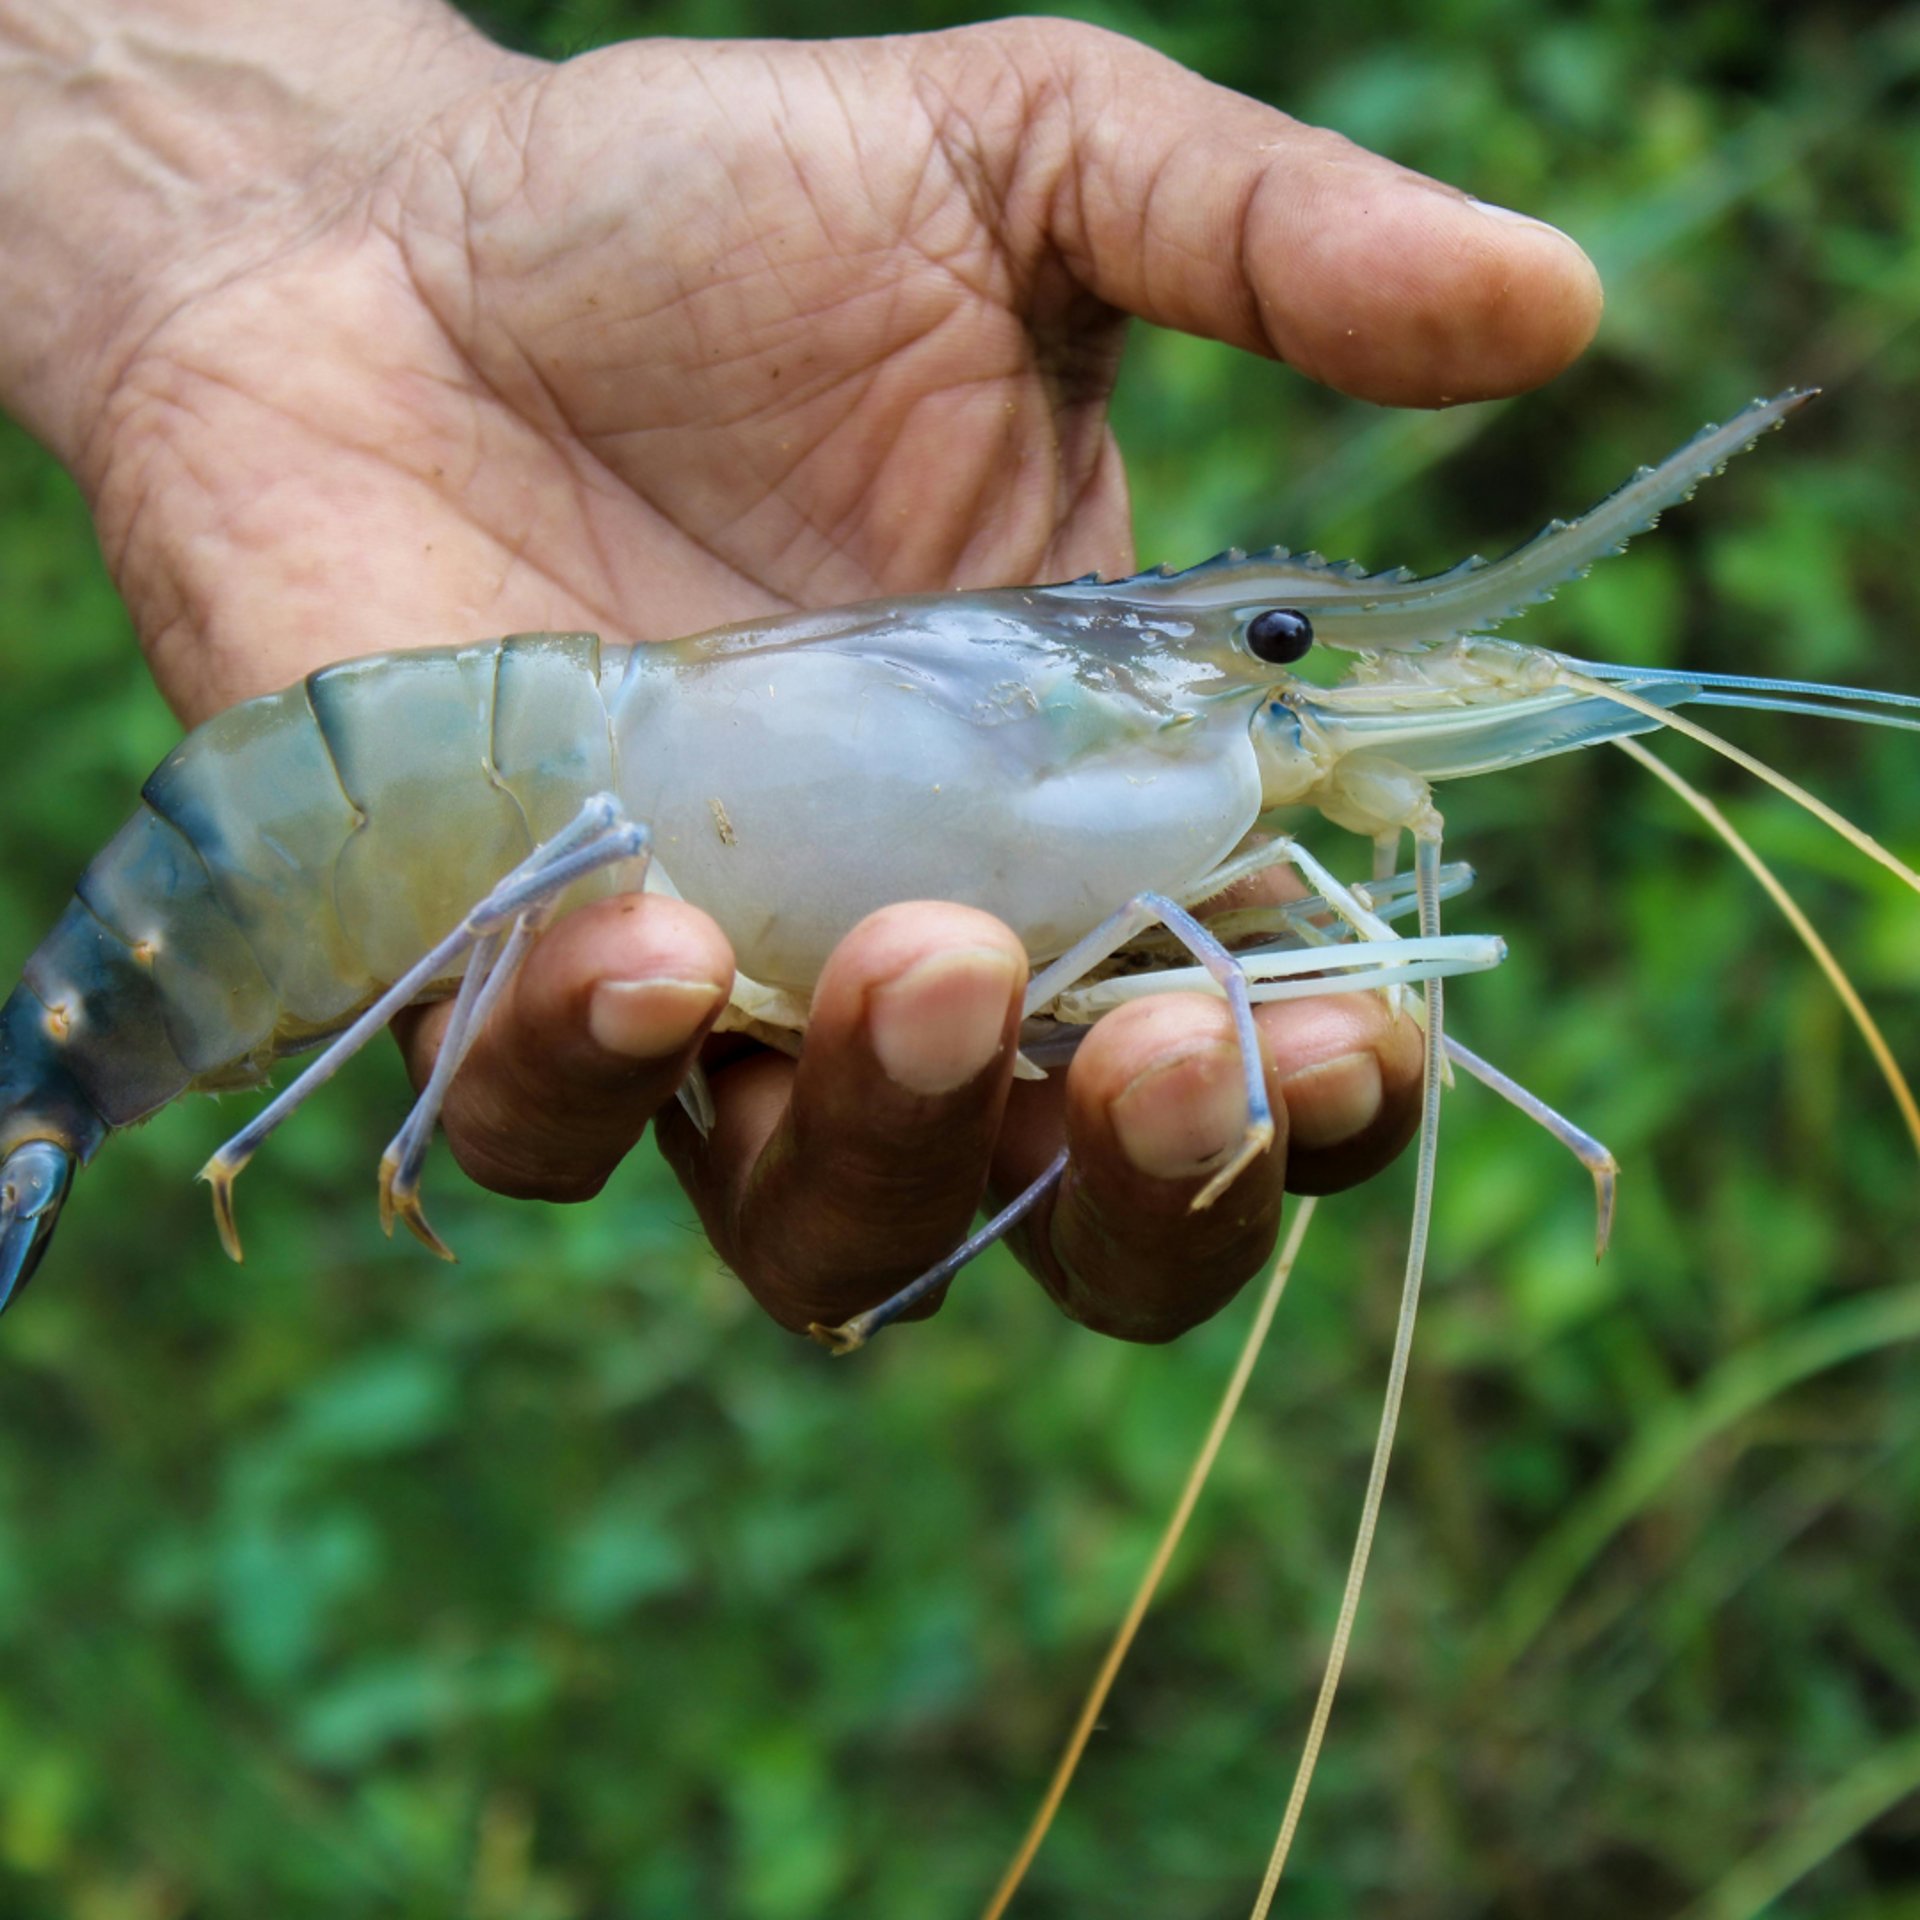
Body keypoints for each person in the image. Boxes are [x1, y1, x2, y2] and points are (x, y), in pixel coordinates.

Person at [0, 1, 1602, 1340]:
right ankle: (54, 1099)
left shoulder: (1159, 728)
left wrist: (238, 230)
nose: (1276, 679)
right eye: (1266, 649)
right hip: (320, 812)